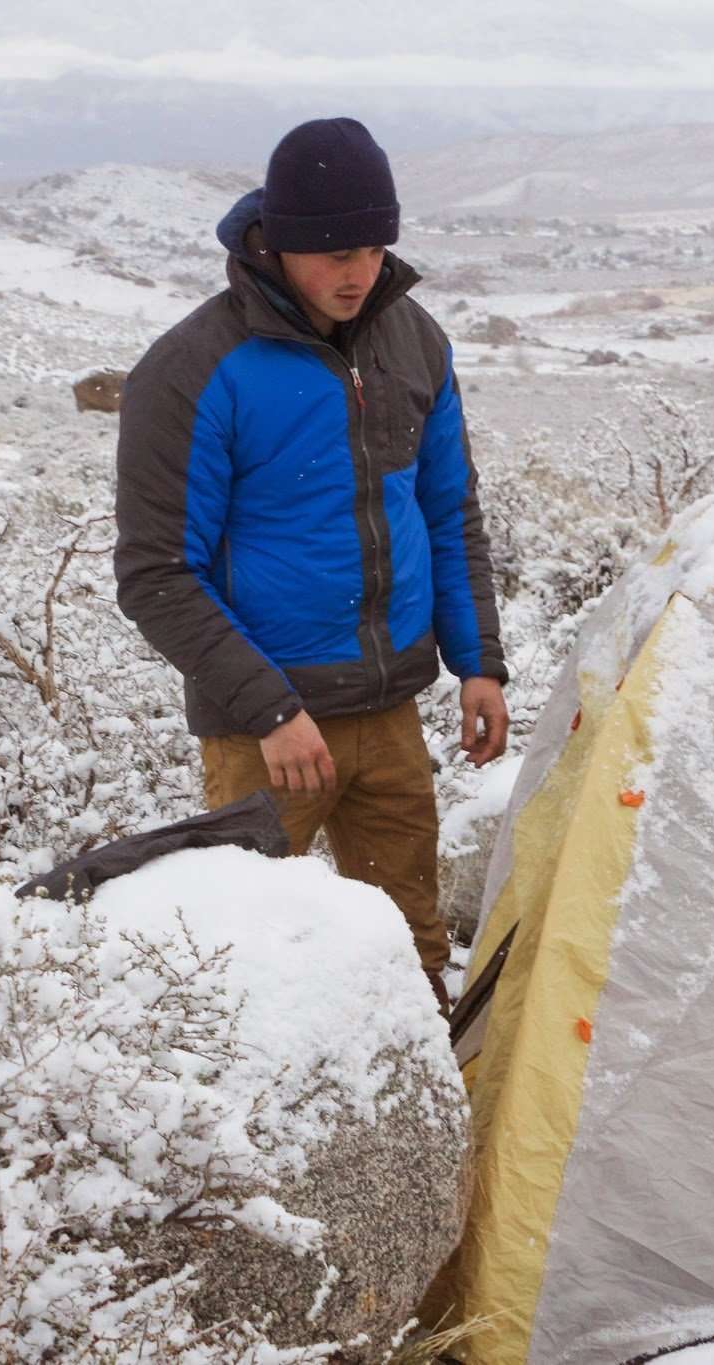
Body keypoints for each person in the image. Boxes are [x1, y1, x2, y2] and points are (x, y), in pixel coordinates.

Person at [113, 116, 508, 1015]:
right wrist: (273, 710)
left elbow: (448, 513)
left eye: (373, 246)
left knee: (413, 961)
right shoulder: (194, 368)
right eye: (332, 250)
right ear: (278, 240)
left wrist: (478, 661)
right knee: (253, 978)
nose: (357, 270)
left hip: (391, 711)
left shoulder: (415, 342)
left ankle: (430, 1148)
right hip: (267, 734)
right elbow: (156, 573)